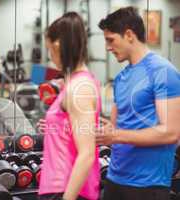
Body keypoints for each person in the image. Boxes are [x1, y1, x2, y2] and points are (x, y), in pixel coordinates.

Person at [96, 7, 180, 200]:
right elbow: (116, 128)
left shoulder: (162, 71)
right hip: (114, 178)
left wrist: (116, 135)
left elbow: (171, 132)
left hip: (147, 185)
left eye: (111, 40)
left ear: (129, 35)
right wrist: (105, 130)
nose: (108, 47)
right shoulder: (121, 78)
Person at [38, 12, 100, 200]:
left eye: (49, 49)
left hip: (65, 188)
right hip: (59, 185)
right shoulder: (76, 83)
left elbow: (87, 153)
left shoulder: (79, 88)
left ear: (58, 45)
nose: (50, 56)